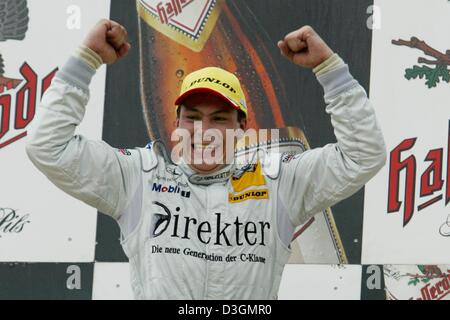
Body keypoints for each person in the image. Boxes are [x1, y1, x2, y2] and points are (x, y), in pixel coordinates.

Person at [26, 19, 387, 299]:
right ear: (176, 122)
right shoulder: (139, 178)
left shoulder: (278, 181)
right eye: (193, 117)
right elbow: (47, 146)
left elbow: (363, 155)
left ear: (241, 126)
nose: (203, 130)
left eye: (218, 119)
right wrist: (85, 60)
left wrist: (330, 69)